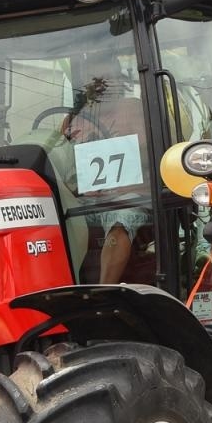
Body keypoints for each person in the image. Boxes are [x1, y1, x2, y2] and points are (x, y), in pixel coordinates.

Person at [64, 52, 152, 284]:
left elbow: (150, 153)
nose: (101, 85)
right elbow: (60, 157)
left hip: (127, 194)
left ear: (118, 79)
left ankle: (104, 289)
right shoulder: (73, 118)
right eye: (94, 80)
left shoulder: (133, 109)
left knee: (121, 218)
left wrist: (110, 149)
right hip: (85, 200)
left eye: (107, 78)